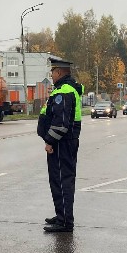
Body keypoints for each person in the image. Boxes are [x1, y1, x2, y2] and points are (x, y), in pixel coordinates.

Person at [37, 58, 83, 233]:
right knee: (61, 180)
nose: (51, 75)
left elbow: (60, 123)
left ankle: (64, 222)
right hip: (65, 142)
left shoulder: (63, 92)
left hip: (61, 144)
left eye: (53, 72)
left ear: (59, 73)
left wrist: (50, 141)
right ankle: (62, 214)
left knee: (61, 181)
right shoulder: (68, 89)